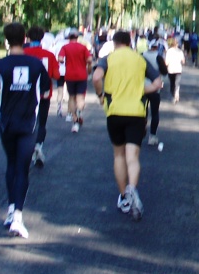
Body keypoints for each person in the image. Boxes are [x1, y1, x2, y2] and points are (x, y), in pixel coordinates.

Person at [0, 22, 50, 239]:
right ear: (25, 39)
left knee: (11, 163)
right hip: (28, 121)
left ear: (6, 40)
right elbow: (45, 91)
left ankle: (11, 209)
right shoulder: (35, 64)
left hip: (5, 120)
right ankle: (18, 218)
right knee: (23, 167)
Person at [91, 30, 162, 221]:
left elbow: (97, 77)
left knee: (118, 155)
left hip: (114, 111)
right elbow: (157, 83)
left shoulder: (107, 59)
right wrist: (141, 90)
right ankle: (133, 188)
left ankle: (123, 197)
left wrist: (100, 95)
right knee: (133, 157)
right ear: (130, 42)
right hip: (137, 113)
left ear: (114, 43)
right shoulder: (140, 60)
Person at [23, 26, 61, 167]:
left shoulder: (23, 53)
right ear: (42, 38)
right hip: (44, 93)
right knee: (42, 123)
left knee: (27, 121)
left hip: (25, 93)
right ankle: (39, 145)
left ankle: (26, 148)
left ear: (28, 38)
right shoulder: (49, 55)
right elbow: (56, 75)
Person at [58, 28, 92, 133]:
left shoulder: (65, 47)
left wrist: (64, 62)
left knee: (72, 97)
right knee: (80, 97)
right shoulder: (83, 47)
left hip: (70, 75)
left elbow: (60, 59)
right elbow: (90, 60)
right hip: (81, 75)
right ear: (77, 38)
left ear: (68, 38)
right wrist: (88, 69)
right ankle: (79, 112)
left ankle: (74, 119)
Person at [141, 37, 166, 146]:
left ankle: (141, 130)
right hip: (155, 88)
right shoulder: (158, 57)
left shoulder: (141, 56)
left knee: (142, 111)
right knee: (155, 112)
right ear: (156, 47)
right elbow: (164, 72)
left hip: (142, 87)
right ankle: (152, 136)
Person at [165, 36, 186, 104]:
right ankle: (177, 93)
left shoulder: (169, 51)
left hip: (170, 70)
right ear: (177, 44)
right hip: (178, 69)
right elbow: (183, 61)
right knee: (177, 83)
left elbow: (166, 62)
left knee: (172, 83)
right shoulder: (180, 51)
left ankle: (173, 96)